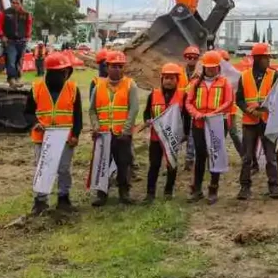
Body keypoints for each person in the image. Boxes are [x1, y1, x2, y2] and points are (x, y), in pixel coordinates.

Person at [25, 53, 82, 215]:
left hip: (65, 138)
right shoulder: (36, 88)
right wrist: (35, 123)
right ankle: (40, 201)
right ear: (52, 73)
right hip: (42, 139)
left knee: (64, 169)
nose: (65, 74)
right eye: (61, 71)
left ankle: (64, 199)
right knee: (43, 168)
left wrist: (75, 135)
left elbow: (77, 116)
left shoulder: (72, 89)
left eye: (66, 71)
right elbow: (28, 113)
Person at [88, 51, 140, 206]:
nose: (116, 69)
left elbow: (134, 109)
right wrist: (96, 127)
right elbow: (92, 110)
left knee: (124, 163)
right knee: (102, 163)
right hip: (103, 134)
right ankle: (101, 193)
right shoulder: (98, 86)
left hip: (121, 134)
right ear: (107, 67)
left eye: (119, 66)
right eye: (113, 66)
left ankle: (124, 192)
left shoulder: (130, 84)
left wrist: (126, 129)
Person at [185, 51, 235, 204]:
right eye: (208, 67)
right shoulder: (196, 83)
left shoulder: (224, 82)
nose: (211, 70)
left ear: (218, 67)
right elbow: (188, 102)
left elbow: (228, 101)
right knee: (200, 157)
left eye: (214, 67)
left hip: (217, 124)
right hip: (199, 124)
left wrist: (214, 113)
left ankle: (213, 189)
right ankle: (197, 189)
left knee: (215, 155)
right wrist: (196, 113)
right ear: (204, 67)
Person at [235, 42, 278, 200]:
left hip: (268, 121)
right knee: (247, 157)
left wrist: (261, 109)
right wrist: (247, 109)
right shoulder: (244, 76)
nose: (269, 60)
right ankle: (245, 187)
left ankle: (274, 186)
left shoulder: (274, 75)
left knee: (271, 156)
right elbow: (239, 99)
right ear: (257, 58)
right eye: (266, 58)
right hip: (250, 123)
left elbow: (276, 101)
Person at [139, 62, 188, 203]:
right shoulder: (153, 95)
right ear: (162, 79)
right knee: (154, 164)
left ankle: (168, 191)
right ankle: (150, 193)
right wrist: (147, 120)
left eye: (172, 78)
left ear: (177, 80)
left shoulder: (182, 96)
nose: (168, 81)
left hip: (172, 137)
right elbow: (147, 113)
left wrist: (185, 133)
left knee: (171, 164)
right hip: (156, 137)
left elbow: (186, 117)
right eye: (166, 78)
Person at [0, 0, 32, 87]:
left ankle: (18, 78)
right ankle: (11, 79)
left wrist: (27, 36)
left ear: (21, 4)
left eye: (17, 3)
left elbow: (29, 26)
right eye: (13, 3)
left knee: (19, 61)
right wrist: (2, 36)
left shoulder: (26, 14)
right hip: (9, 41)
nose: (14, 5)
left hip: (22, 41)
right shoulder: (4, 13)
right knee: (11, 59)